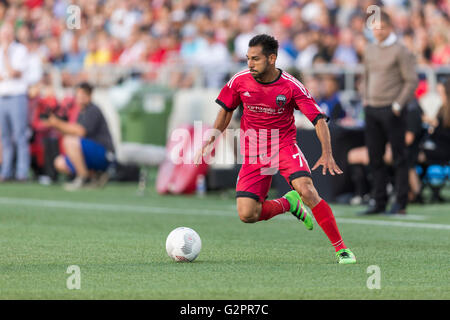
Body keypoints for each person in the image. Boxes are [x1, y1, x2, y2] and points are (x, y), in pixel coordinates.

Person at [196, 34, 356, 264]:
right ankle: (288, 203)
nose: (250, 64)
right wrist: (210, 140)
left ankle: (342, 249)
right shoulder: (239, 80)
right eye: (248, 58)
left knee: (308, 191)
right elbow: (226, 112)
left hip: (283, 146)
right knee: (247, 214)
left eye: (256, 59)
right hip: (253, 151)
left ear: (272, 58)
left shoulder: (291, 86)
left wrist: (327, 153)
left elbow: (319, 120)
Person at [360, 11, 418, 215]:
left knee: (399, 157)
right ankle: (378, 201)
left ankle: (400, 202)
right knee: (375, 158)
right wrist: (365, 99)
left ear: (390, 27)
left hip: (392, 110)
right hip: (372, 109)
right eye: (374, 27)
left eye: (381, 26)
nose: (377, 31)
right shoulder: (369, 49)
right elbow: (366, 76)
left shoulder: (400, 50)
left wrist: (398, 104)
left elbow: (411, 80)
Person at [43, 82, 114, 191]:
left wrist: (57, 123)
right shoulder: (81, 112)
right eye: (78, 96)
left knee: (69, 141)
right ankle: (94, 177)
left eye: (82, 96)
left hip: (104, 154)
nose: (79, 99)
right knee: (59, 162)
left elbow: (80, 131)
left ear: (89, 96)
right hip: (90, 153)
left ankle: (83, 178)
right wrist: (55, 124)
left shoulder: (93, 110)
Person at [0, 23, 30, 182]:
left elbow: (14, 72)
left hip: (17, 96)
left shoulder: (20, 50)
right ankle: (6, 171)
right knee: (5, 137)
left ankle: (22, 172)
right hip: (3, 96)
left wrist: (5, 56)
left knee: (20, 135)